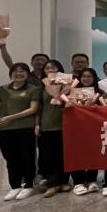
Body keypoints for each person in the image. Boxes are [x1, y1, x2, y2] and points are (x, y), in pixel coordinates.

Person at [0, 63, 41, 201]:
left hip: (25, 127)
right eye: (15, 71)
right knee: (10, 158)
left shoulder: (33, 89)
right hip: (5, 129)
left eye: (22, 71)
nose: (19, 74)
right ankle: (15, 186)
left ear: (27, 74)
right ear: (11, 73)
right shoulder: (2, 89)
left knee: (27, 157)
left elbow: (33, 109)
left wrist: (10, 117)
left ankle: (29, 185)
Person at [38, 59, 71, 198]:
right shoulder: (41, 87)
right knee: (48, 156)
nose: (50, 70)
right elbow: (39, 107)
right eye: (47, 68)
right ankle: (52, 184)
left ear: (60, 70)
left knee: (64, 155)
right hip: (47, 125)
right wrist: (37, 124)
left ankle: (63, 182)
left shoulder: (68, 85)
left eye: (53, 68)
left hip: (65, 124)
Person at [70, 67, 104, 194]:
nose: (86, 79)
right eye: (84, 76)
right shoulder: (72, 91)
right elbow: (63, 109)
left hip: (93, 128)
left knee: (93, 153)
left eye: (90, 76)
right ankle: (77, 182)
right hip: (75, 128)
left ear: (94, 78)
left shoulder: (99, 93)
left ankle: (91, 180)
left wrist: (97, 108)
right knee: (75, 154)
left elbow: (106, 110)